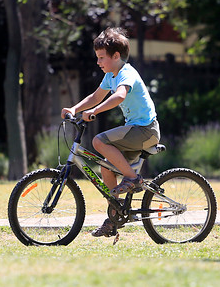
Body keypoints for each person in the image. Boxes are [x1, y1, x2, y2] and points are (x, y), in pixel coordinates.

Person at [61, 27, 160, 237]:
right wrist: (75, 109)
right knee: (106, 167)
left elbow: (120, 96)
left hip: (145, 130)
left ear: (116, 56)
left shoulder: (126, 73)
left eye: (101, 58)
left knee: (98, 141)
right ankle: (115, 216)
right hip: (135, 131)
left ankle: (132, 179)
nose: (98, 62)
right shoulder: (110, 75)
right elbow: (95, 97)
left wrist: (95, 111)